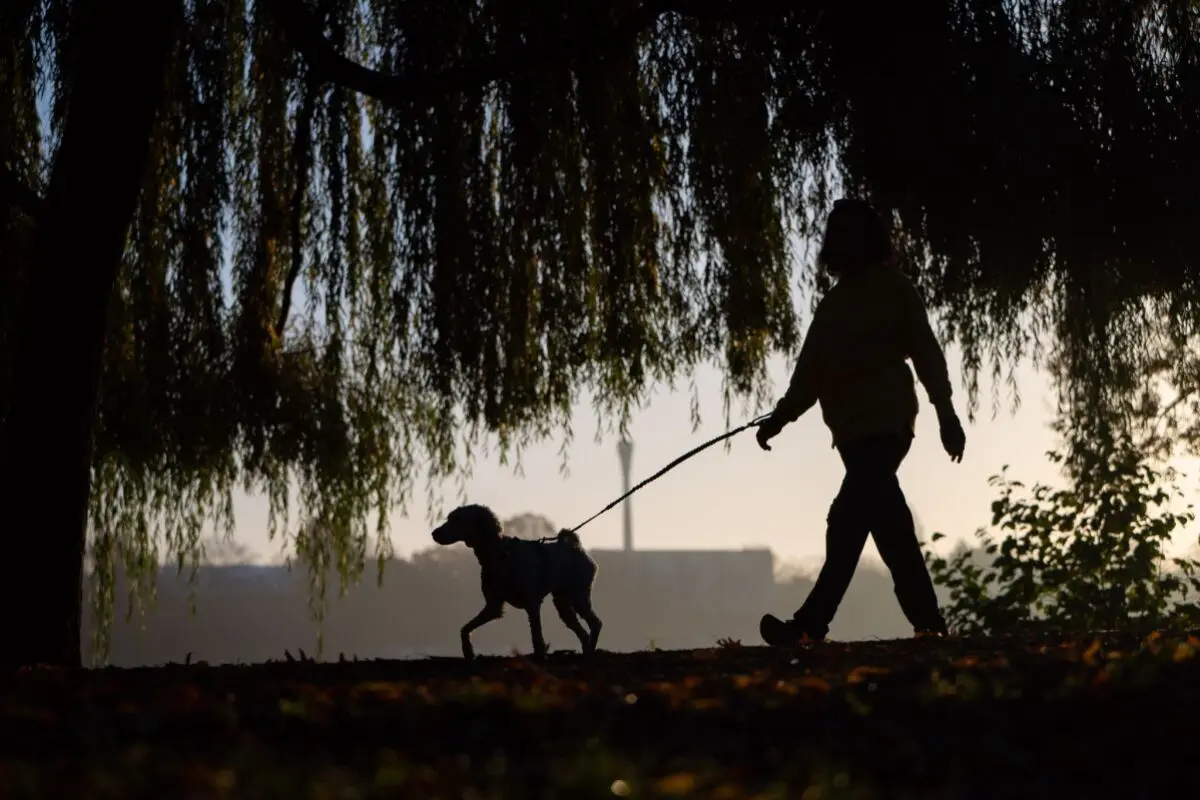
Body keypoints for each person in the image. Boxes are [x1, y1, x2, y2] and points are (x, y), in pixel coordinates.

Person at [756, 197, 966, 645]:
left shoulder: (894, 288)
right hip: (850, 432)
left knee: (847, 518)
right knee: (891, 528)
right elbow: (809, 373)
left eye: (852, 232)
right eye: (838, 233)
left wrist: (946, 413)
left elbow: (926, 353)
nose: (844, 241)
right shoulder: (832, 307)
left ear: (870, 239)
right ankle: (930, 625)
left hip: (888, 423)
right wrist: (780, 418)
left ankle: (810, 622)